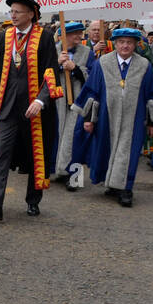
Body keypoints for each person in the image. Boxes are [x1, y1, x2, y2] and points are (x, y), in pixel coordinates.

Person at [0, 0, 65, 221]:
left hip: (34, 109)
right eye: (11, 11)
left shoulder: (43, 37)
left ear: (31, 14)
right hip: (7, 107)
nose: (13, 15)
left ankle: (33, 201)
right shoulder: (4, 37)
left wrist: (41, 100)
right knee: (0, 153)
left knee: (35, 155)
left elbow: (51, 72)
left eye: (18, 11)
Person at [68, 28, 153, 207]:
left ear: (135, 44)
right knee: (107, 150)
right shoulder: (102, 63)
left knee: (129, 152)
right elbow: (91, 92)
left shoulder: (144, 66)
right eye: (121, 42)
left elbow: (151, 94)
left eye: (129, 42)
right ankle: (112, 184)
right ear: (115, 44)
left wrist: (151, 121)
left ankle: (126, 188)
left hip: (134, 118)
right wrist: (88, 119)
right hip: (106, 117)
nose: (125, 45)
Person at [51, 21, 93, 189]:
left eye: (80, 32)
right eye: (74, 33)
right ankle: (59, 171)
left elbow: (92, 75)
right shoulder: (53, 50)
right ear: (63, 36)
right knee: (57, 135)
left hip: (78, 101)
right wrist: (57, 64)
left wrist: (75, 68)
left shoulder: (87, 52)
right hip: (58, 101)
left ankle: (75, 178)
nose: (78, 36)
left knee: (76, 138)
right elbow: (42, 74)